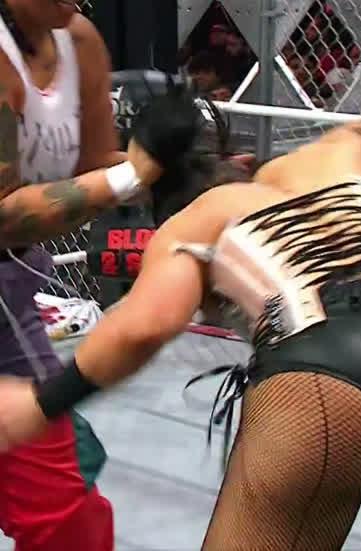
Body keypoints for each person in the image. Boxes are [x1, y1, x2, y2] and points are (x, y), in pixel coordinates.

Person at [0, 59, 361, 551]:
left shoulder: (192, 224)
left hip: (320, 371)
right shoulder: (344, 146)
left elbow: (146, 326)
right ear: (239, 157)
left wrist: (43, 404)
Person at [0, 0, 201, 549]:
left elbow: (93, 168)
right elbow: (5, 216)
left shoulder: (78, 40)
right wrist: (135, 173)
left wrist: (182, 172)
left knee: (63, 506)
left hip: (10, 301)